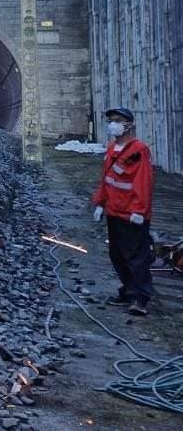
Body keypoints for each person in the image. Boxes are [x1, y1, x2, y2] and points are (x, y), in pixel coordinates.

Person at [92, 107, 154, 316]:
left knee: (136, 257)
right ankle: (128, 290)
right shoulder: (112, 148)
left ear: (129, 125)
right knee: (117, 255)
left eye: (118, 120)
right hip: (114, 210)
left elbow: (143, 182)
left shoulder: (138, 150)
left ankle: (141, 298)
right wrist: (100, 203)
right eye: (111, 120)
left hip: (131, 214)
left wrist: (139, 210)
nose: (113, 124)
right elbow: (107, 179)